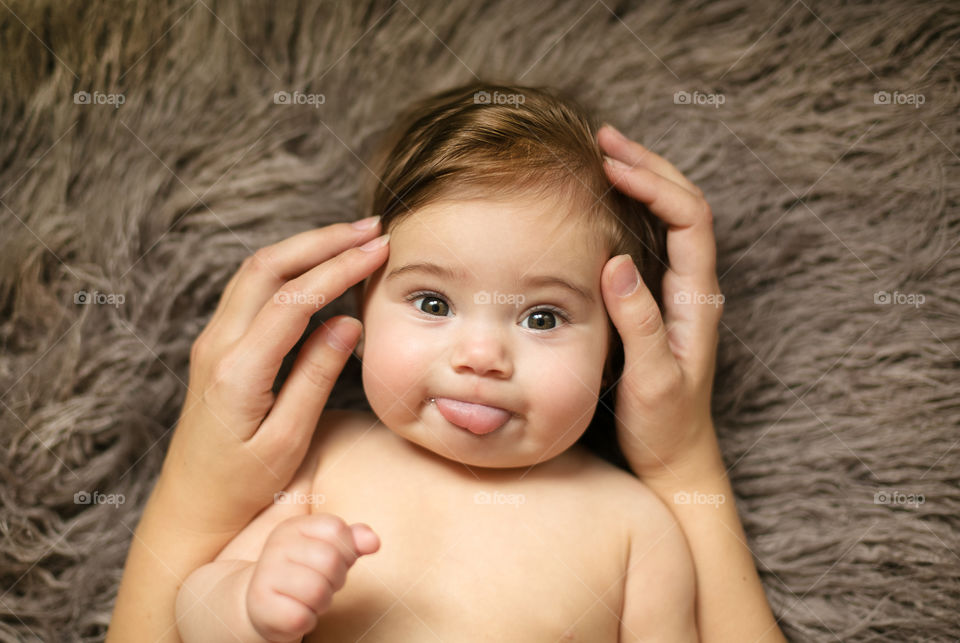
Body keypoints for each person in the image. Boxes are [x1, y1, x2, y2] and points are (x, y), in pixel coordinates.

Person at [107, 81, 786, 642]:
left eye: (542, 317)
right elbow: (189, 607)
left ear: (616, 351)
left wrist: (685, 460)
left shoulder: (637, 529)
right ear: (363, 309)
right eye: (432, 303)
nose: (482, 356)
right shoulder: (323, 454)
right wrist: (250, 602)